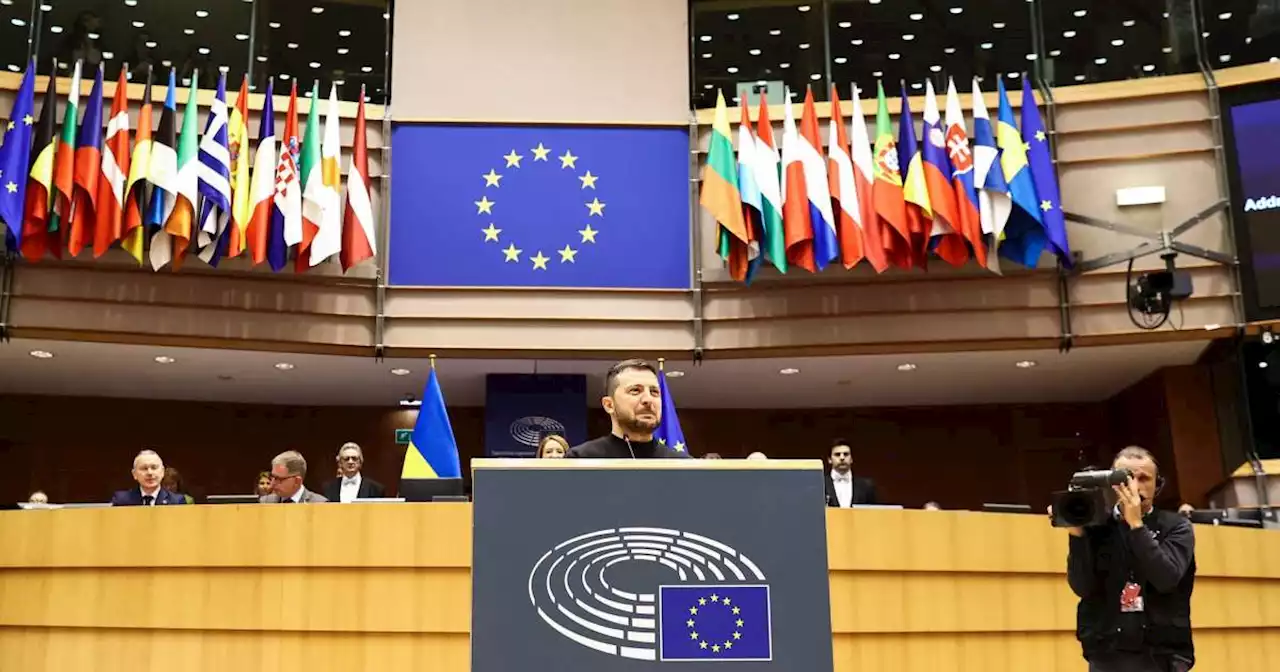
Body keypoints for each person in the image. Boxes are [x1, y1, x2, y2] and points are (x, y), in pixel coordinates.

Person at [1064, 446, 1195, 672]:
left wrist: (1136, 525)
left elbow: (1166, 578)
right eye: (1124, 478)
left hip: (1159, 653)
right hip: (1107, 652)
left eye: (1144, 478)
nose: (1134, 486)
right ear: (1110, 483)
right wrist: (1077, 534)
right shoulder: (1098, 527)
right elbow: (1083, 587)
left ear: (1158, 484)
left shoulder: (1177, 527)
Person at [567, 359, 689, 458]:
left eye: (654, 392)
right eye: (635, 390)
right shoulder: (581, 459)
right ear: (609, 405)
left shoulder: (683, 465)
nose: (648, 399)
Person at [111, 450, 187, 506]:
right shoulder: (121, 500)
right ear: (134, 474)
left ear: (162, 472)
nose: (150, 473)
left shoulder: (177, 501)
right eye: (144, 468)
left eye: (154, 468)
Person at [322, 442, 386, 502]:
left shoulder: (375, 489)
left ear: (360, 462)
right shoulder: (328, 488)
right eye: (346, 459)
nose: (350, 462)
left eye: (354, 458)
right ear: (340, 463)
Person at [824, 439, 877, 507]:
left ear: (851, 458)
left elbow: (874, 513)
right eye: (837, 454)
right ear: (829, 459)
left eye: (846, 454)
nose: (842, 457)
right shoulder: (821, 485)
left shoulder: (866, 486)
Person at [260, 451, 328, 504]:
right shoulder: (265, 502)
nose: (272, 484)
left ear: (297, 481)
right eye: (272, 477)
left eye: (279, 479)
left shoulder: (319, 504)